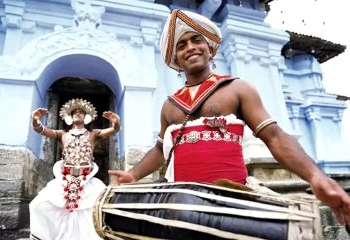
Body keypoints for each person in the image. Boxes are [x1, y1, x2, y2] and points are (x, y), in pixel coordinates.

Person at [108, 9, 350, 226]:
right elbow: (160, 150)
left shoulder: (237, 89)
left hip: (234, 201)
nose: (190, 47)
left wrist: (316, 176)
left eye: (196, 40)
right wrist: (133, 175)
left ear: (210, 48)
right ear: (176, 61)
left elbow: (275, 137)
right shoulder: (170, 106)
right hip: (182, 205)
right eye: (181, 46)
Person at [29, 98, 121, 240]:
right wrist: (35, 120)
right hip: (64, 180)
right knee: (38, 205)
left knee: (97, 208)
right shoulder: (62, 134)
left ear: (86, 116)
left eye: (81, 112)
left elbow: (113, 130)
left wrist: (116, 123)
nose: (77, 114)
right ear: (70, 116)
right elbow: (41, 130)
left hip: (87, 180)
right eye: (74, 112)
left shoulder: (93, 134)